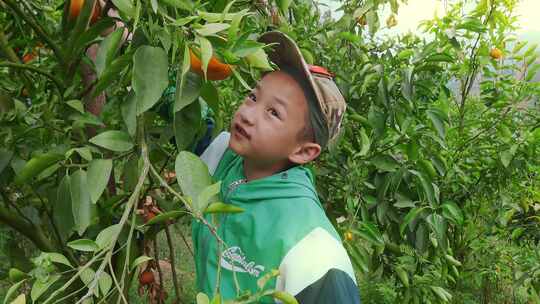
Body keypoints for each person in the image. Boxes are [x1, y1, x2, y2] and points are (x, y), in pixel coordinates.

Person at [192, 31, 361, 303]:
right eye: (253, 97)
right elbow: (188, 121)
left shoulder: (314, 251)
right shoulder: (224, 158)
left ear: (303, 151)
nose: (247, 114)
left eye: (274, 113)